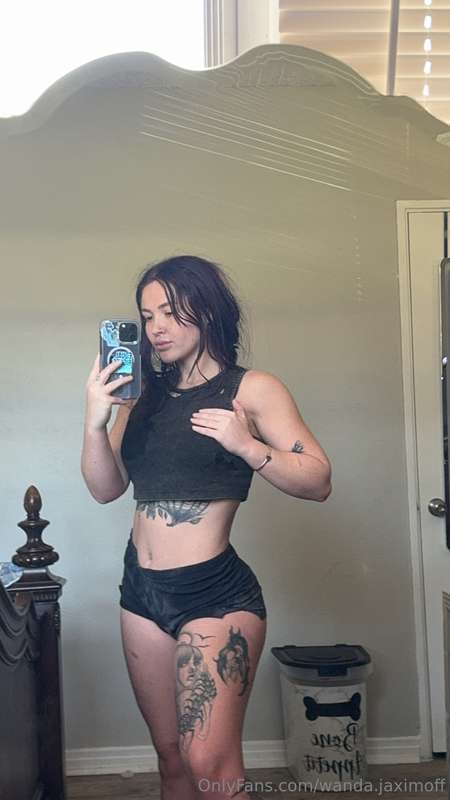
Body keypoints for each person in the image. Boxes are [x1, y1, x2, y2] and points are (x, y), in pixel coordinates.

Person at [81, 254, 332, 800]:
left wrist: (248, 445)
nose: (156, 328)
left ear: (209, 310)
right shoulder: (140, 394)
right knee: (171, 758)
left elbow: (318, 480)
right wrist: (95, 421)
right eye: (147, 316)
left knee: (209, 764)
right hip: (140, 592)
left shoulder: (252, 389)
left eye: (170, 312)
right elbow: (105, 488)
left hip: (214, 595)